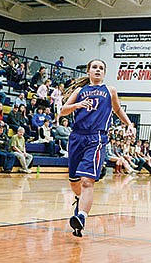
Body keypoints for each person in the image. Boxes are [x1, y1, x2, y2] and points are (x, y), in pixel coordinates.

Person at [58, 59, 136, 237]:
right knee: (74, 182)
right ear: (88, 71)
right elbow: (63, 110)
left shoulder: (109, 90)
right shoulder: (80, 91)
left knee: (87, 181)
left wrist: (129, 124)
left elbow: (117, 110)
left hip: (97, 138)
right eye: (95, 67)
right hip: (77, 137)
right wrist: (77, 105)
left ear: (104, 72)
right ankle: (79, 201)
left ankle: (82, 217)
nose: (98, 70)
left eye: (101, 68)